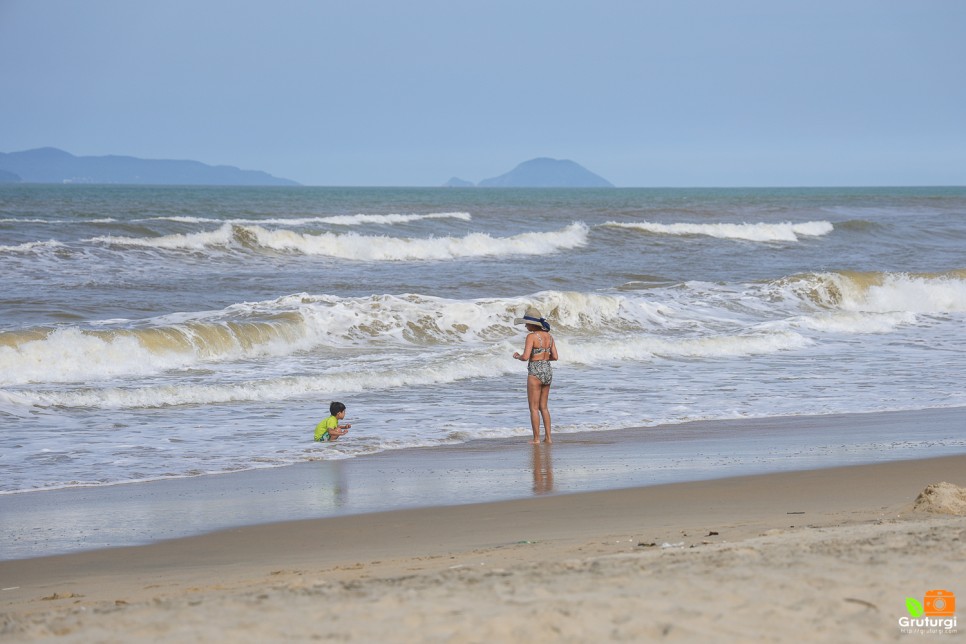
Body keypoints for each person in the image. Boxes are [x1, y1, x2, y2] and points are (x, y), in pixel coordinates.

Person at [512, 307, 558, 443]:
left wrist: (517, 356)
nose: (525, 325)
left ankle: (536, 439)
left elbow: (526, 357)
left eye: (526, 323)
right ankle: (548, 438)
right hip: (548, 370)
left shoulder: (531, 337)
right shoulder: (549, 337)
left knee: (533, 408)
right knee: (543, 407)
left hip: (535, 372)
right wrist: (542, 357)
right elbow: (555, 357)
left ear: (533, 324)